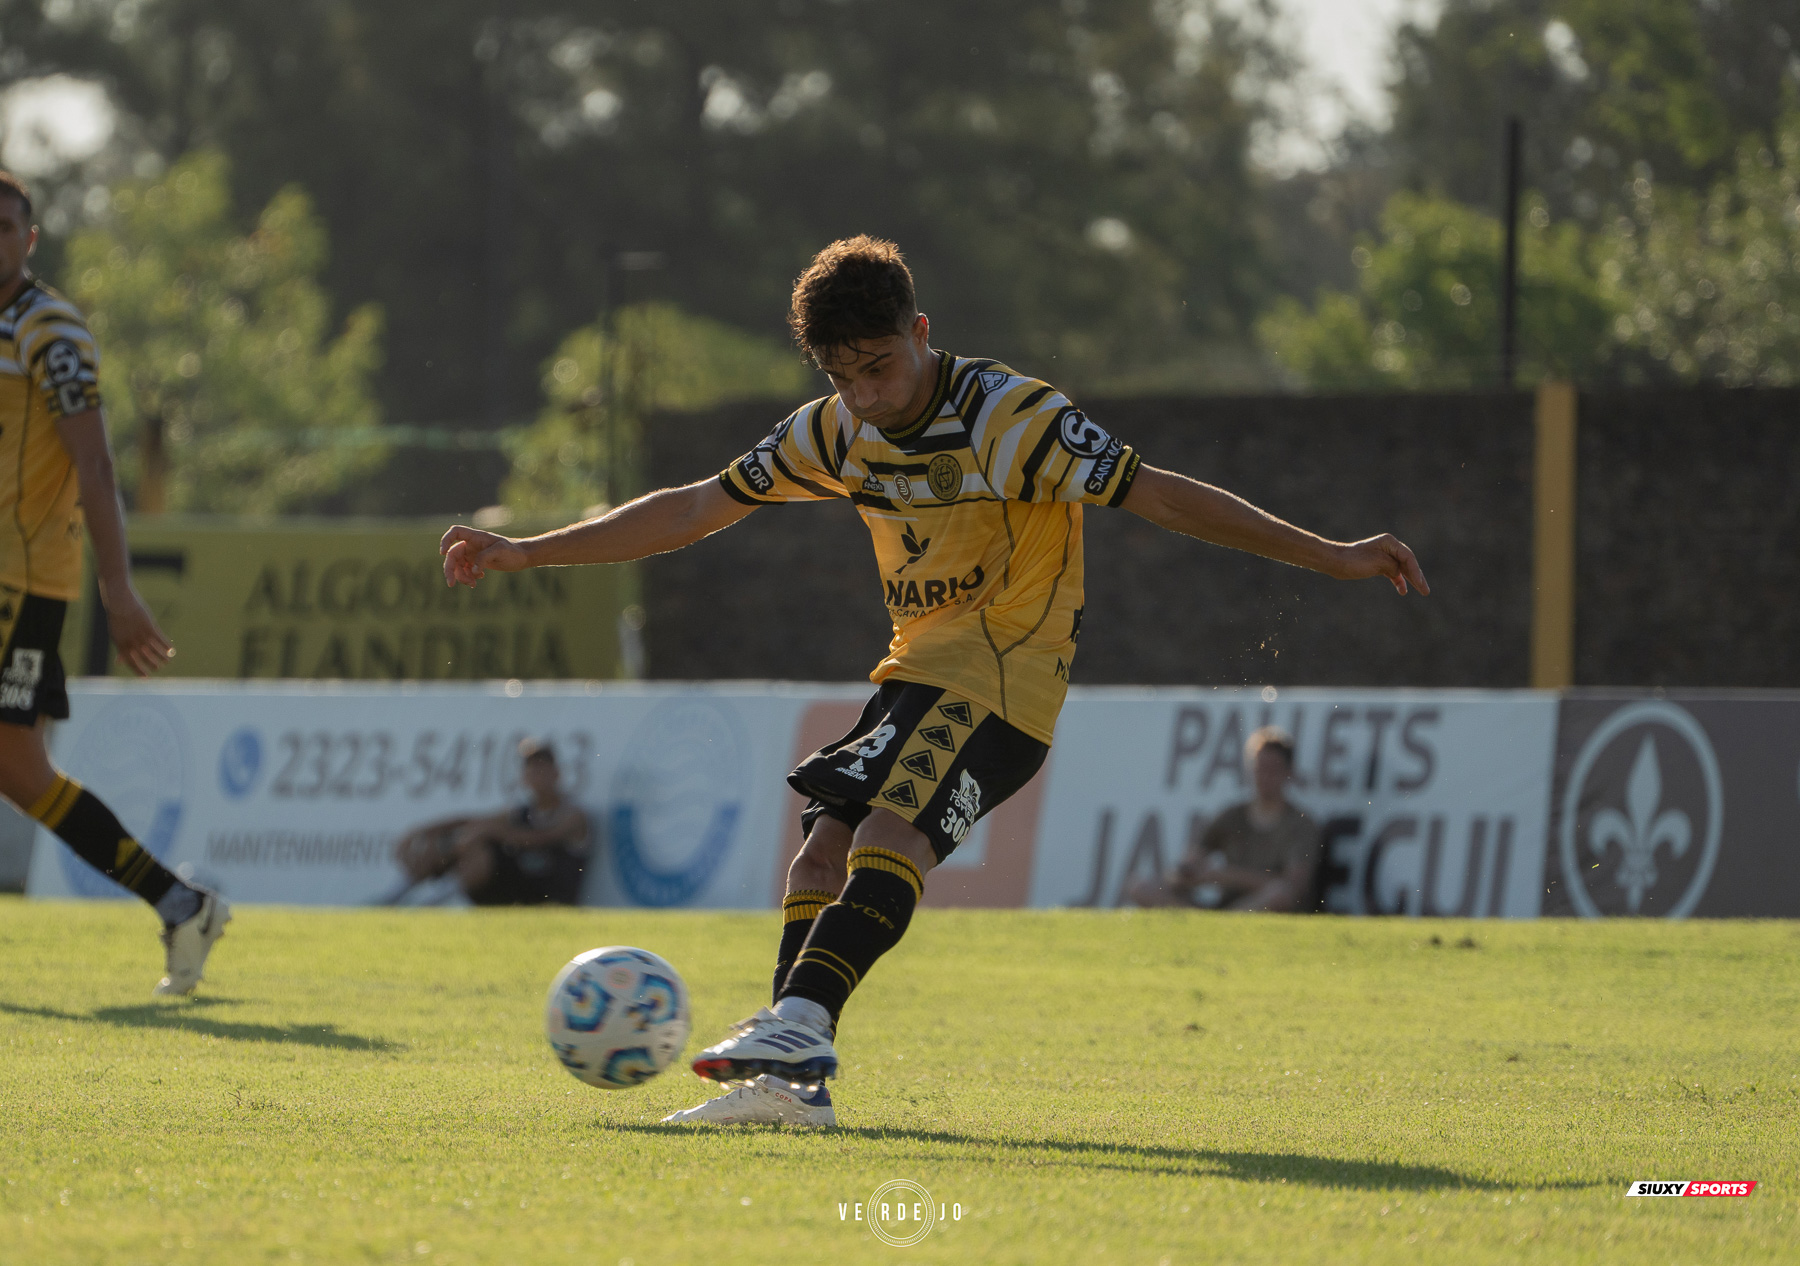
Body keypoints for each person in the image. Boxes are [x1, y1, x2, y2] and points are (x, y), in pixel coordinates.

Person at [439, 236, 1428, 1128]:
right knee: (816, 861)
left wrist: (1334, 556)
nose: (865, 393)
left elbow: (1161, 493)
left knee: (882, 836)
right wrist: (528, 552)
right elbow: (695, 505)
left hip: (1004, 678)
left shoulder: (1014, 419)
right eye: (841, 374)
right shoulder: (832, 432)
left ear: (921, 331)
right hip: (915, 674)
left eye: (879, 365)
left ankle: (799, 1023)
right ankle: (791, 1086)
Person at [0, 172, 228, 994]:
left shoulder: (48, 329)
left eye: (6, 226)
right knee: (23, 776)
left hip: (19, 579)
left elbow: (94, 463)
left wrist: (119, 587)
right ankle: (179, 902)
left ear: (30, 240)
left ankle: (179, 902)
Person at [1129, 727, 1320, 912]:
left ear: (1288, 772)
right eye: (1260, 768)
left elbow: (1294, 887)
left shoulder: (1300, 824)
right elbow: (1188, 865)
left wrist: (1224, 876)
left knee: (1279, 894)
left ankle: (1222, 924)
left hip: (1260, 905)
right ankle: (1207, 925)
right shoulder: (1232, 816)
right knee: (1142, 888)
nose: (1265, 777)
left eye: (1273, 769)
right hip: (1224, 905)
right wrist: (1191, 873)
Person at [387, 739, 589, 906]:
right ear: (524, 778)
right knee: (449, 841)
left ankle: (434, 902)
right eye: (531, 770)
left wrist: (490, 831)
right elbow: (473, 820)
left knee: (482, 847)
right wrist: (423, 831)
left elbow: (541, 839)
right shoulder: (520, 812)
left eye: (542, 769)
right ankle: (397, 898)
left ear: (556, 773)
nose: (537, 776)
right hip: (512, 893)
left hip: (547, 895)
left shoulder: (572, 815)